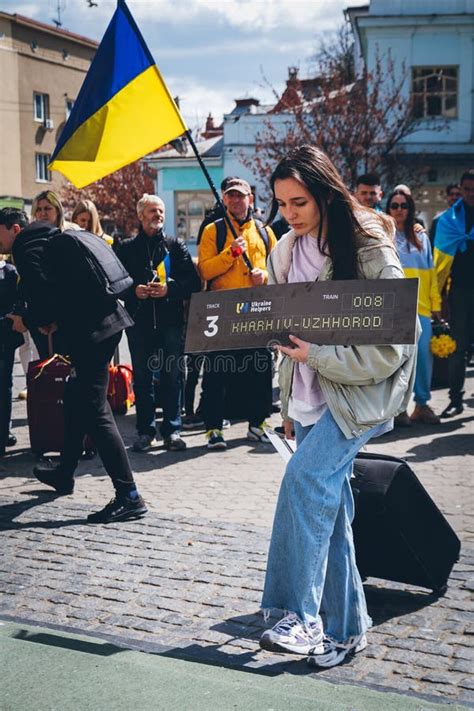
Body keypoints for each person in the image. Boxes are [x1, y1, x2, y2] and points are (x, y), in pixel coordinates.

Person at [258, 145, 417, 668]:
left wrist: (319, 354)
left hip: (355, 399)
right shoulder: (282, 250)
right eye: (281, 204)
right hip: (307, 398)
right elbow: (287, 335)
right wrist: (285, 396)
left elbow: (396, 341)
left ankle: (298, 615)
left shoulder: (370, 246)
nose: (289, 214)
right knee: (331, 513)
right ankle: (348, 631)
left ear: (326, 193)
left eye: (299, 202)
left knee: (305, 482)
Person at [0, 207, 147, 524]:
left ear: (13, 228)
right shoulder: (50, 236)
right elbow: (60, 290)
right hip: (105, 325)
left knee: (95, 410)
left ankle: (129, 496)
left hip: (92, 333)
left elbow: (43, 296)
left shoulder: (26, 246)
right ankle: (65, 473)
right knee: (77, 397)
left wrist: (26, 320)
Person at [116, 194, 201, 452]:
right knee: (142, 379)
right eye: (153, 211)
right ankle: (145, 431)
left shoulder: (175, 246)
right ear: (141, 215)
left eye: (161, 211)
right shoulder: (127, 247)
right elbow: (115, 284)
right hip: (139, 323)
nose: (158, 216)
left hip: (170, 323)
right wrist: (134, 291)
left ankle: (173, 431)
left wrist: (169, 289)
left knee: (172, 377)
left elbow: (193, 284)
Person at [198, 177, 276, 449]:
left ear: (250, 199)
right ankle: (213, 428)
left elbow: (278, 269)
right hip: (223, 312)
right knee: (217, 371)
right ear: (224, 199)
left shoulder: (265, 231)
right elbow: (205, 271)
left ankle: (258, 424)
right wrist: (230, 254)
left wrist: (264, 276)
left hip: (256, 310)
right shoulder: (213, 230)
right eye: (230, 196)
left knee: (260, 368)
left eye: (240, 196)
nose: (235, 200)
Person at [387, 189, 441, 425]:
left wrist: (436, 306)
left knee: (422, 359)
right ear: (388, 209)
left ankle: (422, 405)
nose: (399, 210)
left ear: (411, 209)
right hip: (395, 309)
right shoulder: (383, 237)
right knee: (396, 361)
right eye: (395, 205)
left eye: (404, 206)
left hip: (422, 308)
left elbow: (431, 273)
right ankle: (398, 411)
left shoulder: (422, 238)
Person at [434, 169, 474, 418]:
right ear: (460, 189)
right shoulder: (447, 221)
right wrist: (441, 298)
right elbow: (438, 263)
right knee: (457, 349)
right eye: (467, 189)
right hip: (458, 293)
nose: (471, 194)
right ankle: (455, 399)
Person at [0, 254, 25, 456]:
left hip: (4, 340)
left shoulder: (9, 272)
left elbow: (16, 304)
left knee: (4, 384)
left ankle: (3, 433)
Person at [429, 182, 462, 247]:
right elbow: (432, 245)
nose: (454, 197)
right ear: (447, 197)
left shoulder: (470, 218)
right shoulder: (438, 220)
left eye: (458, 194)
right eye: (451, 194)